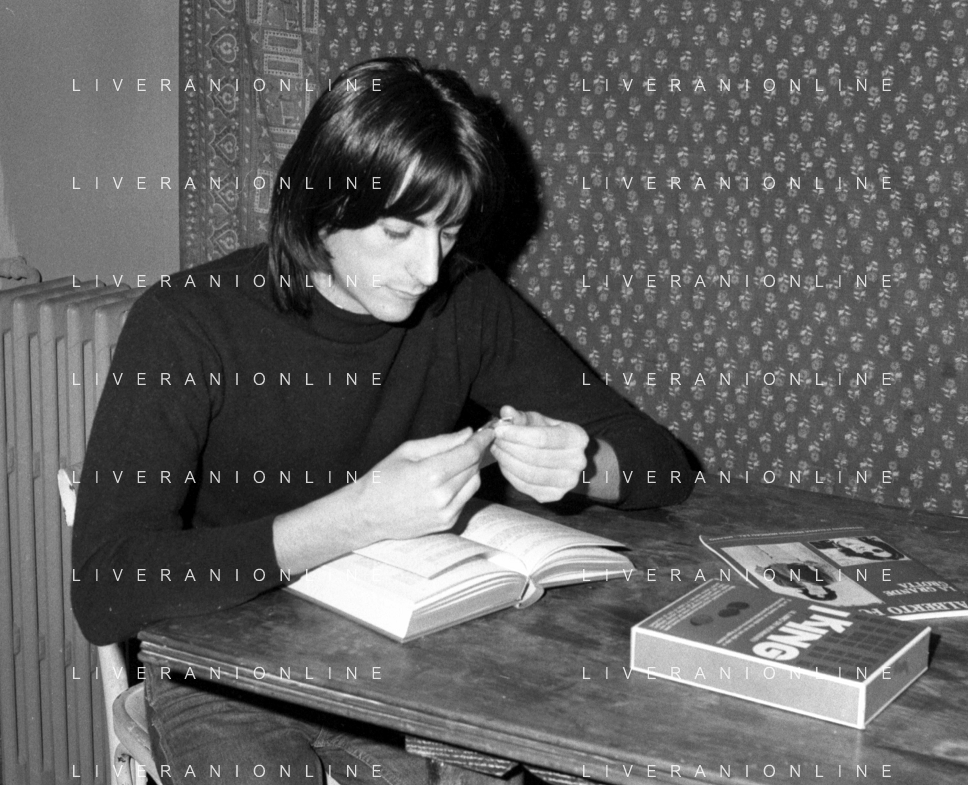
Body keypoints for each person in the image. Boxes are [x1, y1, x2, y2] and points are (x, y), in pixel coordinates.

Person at [71, 56, 694, 785]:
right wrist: (356, 517)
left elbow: (667, 466)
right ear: (320, 206)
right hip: (223, 670)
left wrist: (584, 462)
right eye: (399, 231)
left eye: (448, 231)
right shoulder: (185, 325)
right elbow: (104, 586)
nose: (428, 269)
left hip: (407, 662)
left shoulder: (464, 303)